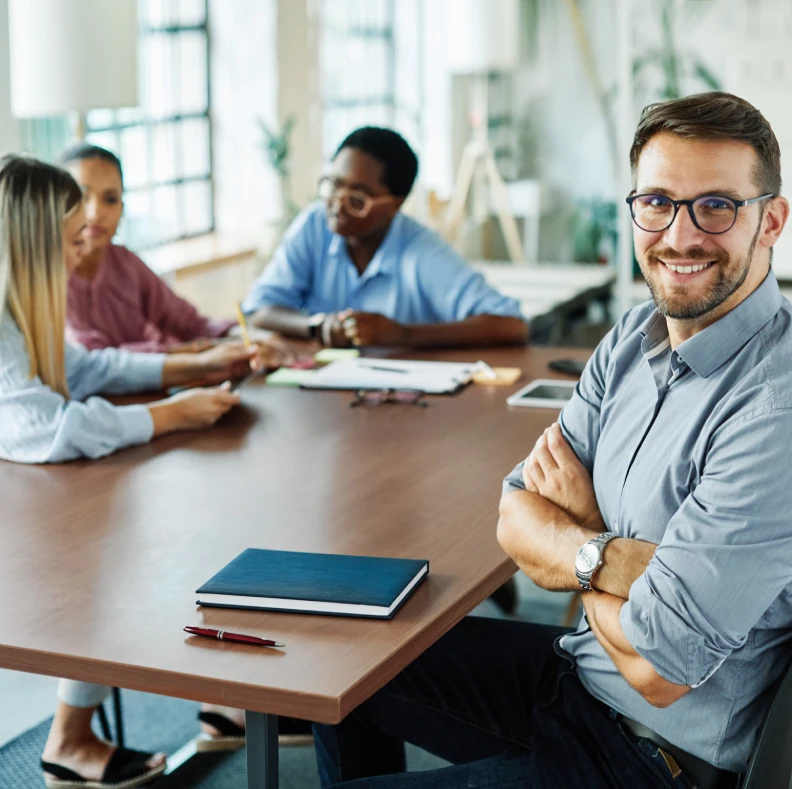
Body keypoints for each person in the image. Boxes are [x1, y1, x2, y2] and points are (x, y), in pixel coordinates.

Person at [310, 92, 792, 788]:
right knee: (350, 668)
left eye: (716, 206)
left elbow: (660, 668)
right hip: (582, 678)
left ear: (771, 220)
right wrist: (625, 565)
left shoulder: (786, 415)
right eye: (657, 202)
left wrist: (583, 534)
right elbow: (516, 512)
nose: (681, 235)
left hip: (652, 757)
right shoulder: (634, 337)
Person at [0, 154, 280, 788]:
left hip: (32, 494)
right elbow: (53, 429)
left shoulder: (21, 311)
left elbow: (88, 369)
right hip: (22, 515)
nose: (81, 249)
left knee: (135, 531)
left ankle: (219, 694)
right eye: (70, 238)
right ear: (34, 243)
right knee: (115, 552)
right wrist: (170, 415)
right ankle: (71, 740)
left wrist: (198, 365)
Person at [244, 126, 528, 349]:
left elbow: (512, 325)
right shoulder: (313, 225)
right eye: (333, 185)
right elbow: (260, 309)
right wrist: (317, 325)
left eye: (358, 198)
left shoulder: (422, 251)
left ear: (396, 203)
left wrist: (403, 334)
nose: (338, 204)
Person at [58, 142, 246, 354]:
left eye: (110, 199)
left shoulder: (125, 263)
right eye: (82, 197)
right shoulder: (48, 280)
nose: (95, 213)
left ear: (122, 209)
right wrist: (189, 356)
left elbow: (189, 322)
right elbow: (95, 362)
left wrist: (243, 337)